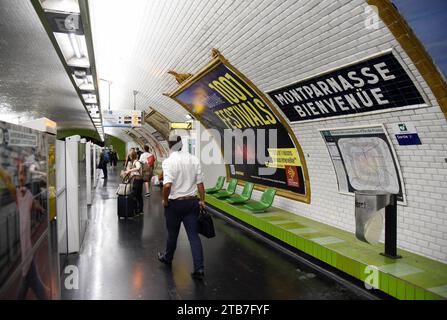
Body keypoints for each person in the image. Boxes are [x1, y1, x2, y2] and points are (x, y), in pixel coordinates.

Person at [157, 135, 206, 279]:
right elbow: (200, 184)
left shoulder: (169, 162)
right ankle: (199, 268)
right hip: (192, 203)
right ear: (182, 144)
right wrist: (202, 200)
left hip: (175, 205)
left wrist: (165, 201)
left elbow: (167, 185)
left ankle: (168, 258)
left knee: (172, 235)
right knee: (194, 237)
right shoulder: (194, 159)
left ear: (169, 146)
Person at [0, 164, 49, 299]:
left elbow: (36, 206)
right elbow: (7, 179)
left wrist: (42, 209)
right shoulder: (17, 194)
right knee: (30, 283)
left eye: (23, 175)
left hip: (27, 251)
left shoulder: (28, 196)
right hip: (26, 251)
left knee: (29, 284)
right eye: (20, 174)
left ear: (26, 177)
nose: (21, 177)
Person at [124, 150, 144, 215]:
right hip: (139, 180)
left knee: (134, 195)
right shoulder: (134, 162)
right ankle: (140, 210)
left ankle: (135, 210)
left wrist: (129, 170)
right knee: (138, 195)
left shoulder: (136, 162)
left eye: (129, 155)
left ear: (131, 156)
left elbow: (138, 168)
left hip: (137, 180)